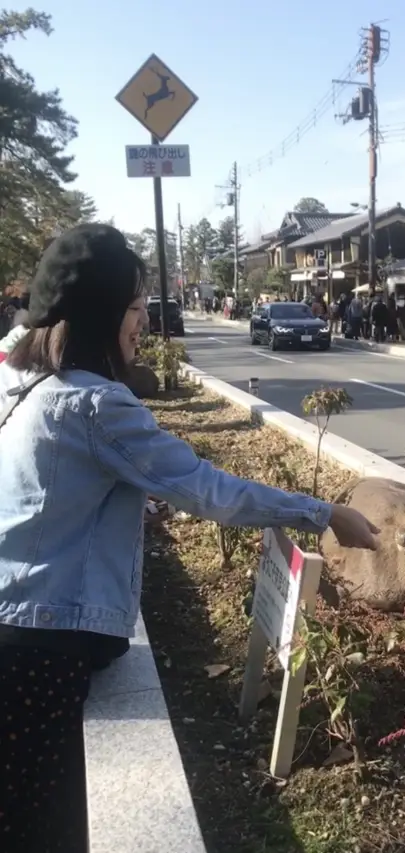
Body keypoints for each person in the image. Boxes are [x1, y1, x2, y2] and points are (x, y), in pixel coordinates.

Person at [0, 224, 378, 852]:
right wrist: (325, 513)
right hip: (42, 642)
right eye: (133, 305)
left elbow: (48, 486)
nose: (143, 319)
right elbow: (208, 490)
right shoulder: (93, 404)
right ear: (98, 313)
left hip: (18, 614)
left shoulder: (23, 380)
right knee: (40, 819)